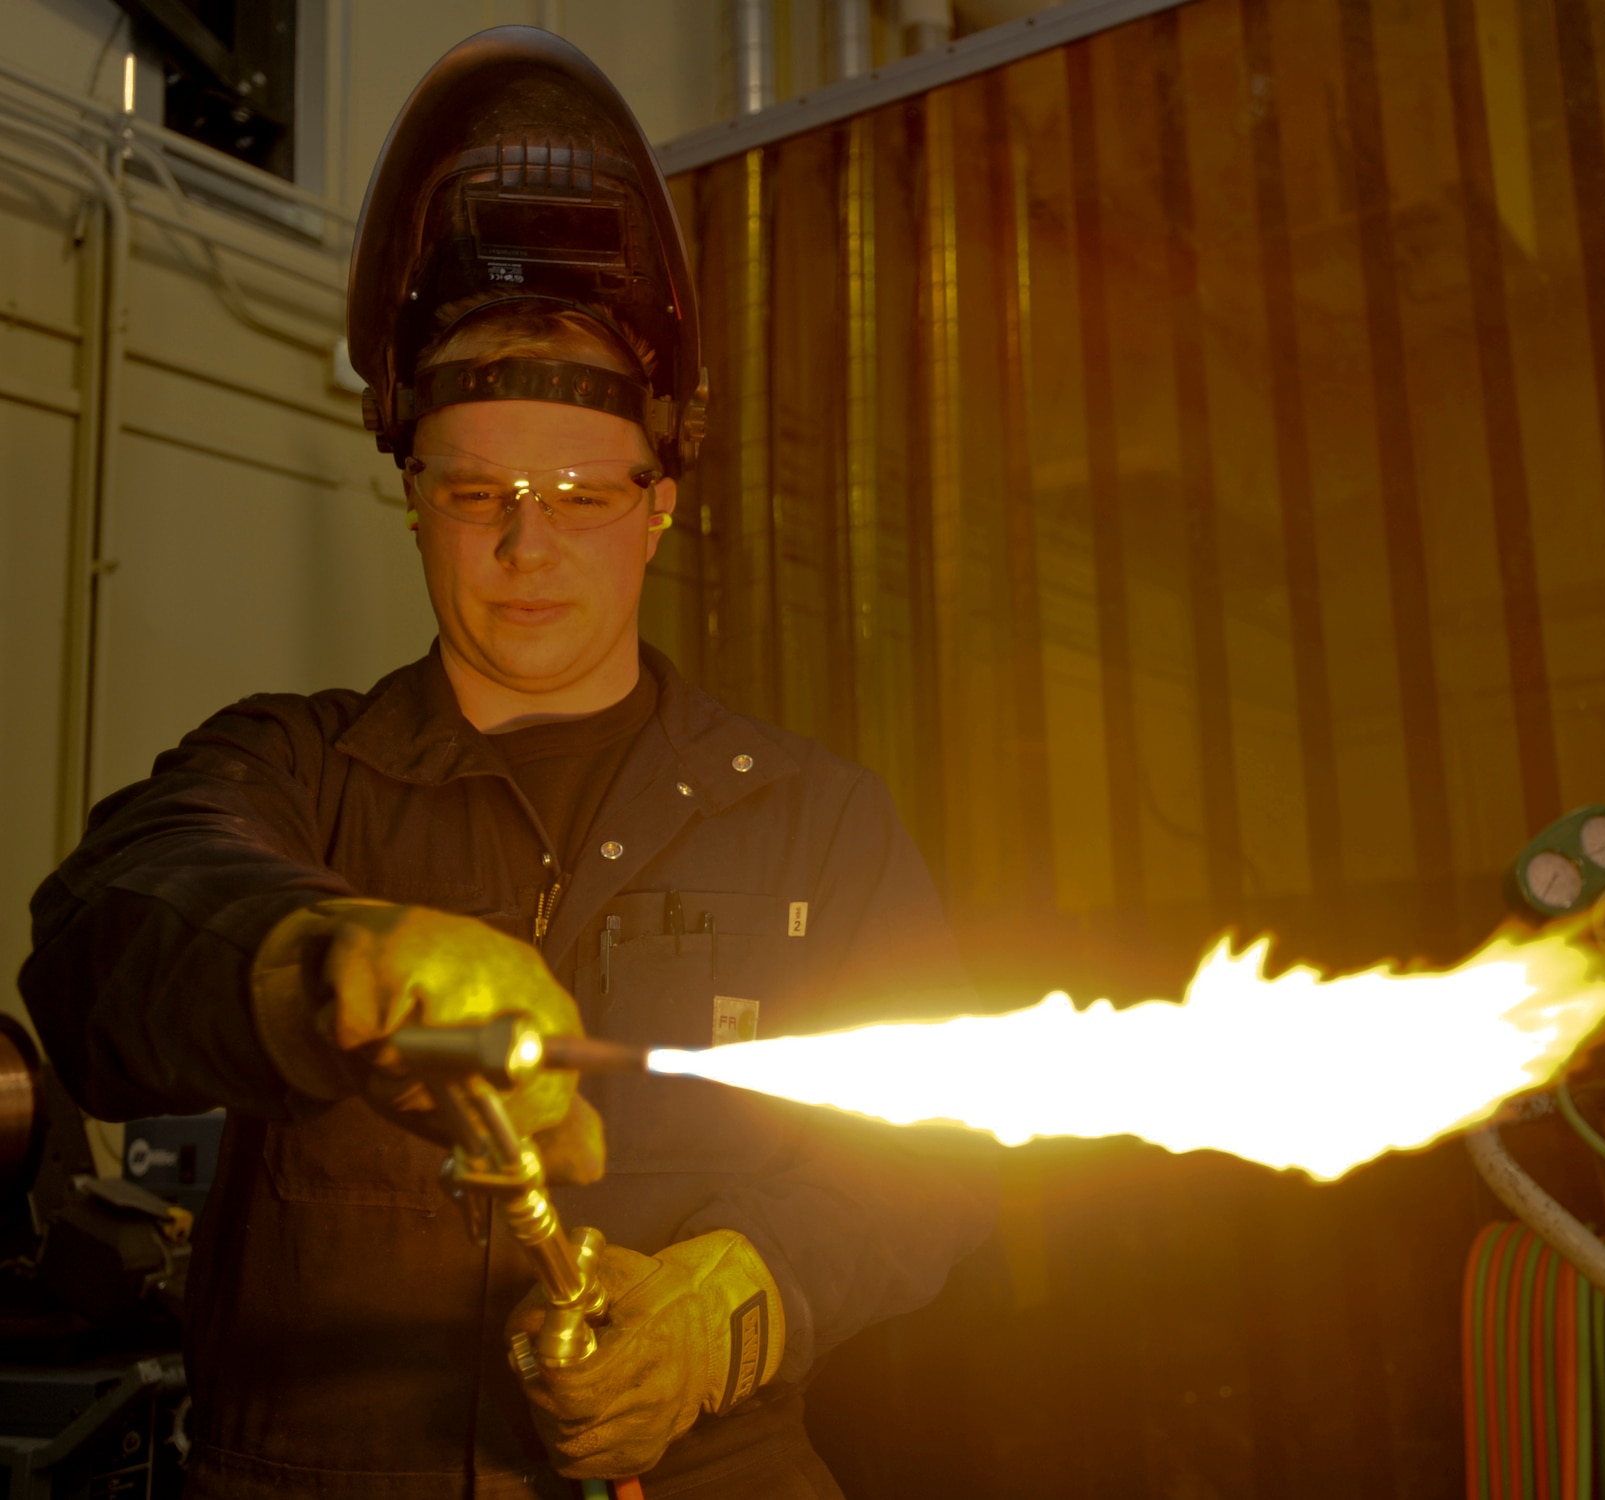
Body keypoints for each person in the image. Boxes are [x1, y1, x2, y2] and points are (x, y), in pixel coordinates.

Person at [19, 27, 994, 1500]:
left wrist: (728, 1307)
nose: (526, 545)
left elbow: (931, 1159)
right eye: (475, 491)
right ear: (411, 496)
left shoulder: (815, 826)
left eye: (581, 497)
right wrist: (315, 955)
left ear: (661, 503)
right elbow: (102, 946)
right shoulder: (295, 772)